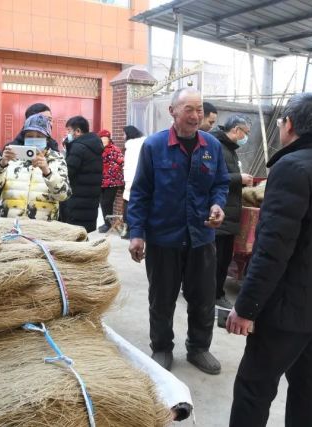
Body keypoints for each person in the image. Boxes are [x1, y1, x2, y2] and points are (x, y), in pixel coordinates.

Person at [226, 93, 312, 427]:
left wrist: (246, 307)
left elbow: (272, 249)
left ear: (290, 125)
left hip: (287, 309)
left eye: (283, 121)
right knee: (306, 385)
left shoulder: (290, 168)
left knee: (253, 387)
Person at [127, 88, 230, 375]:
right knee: (162, 297)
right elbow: (140, 193)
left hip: (202, 237)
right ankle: (161, 347)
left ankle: (199, 348)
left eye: (199, 109)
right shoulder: (154, 146)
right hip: (164, 238)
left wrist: (218, 205)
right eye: (189, 109)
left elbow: (220, 183)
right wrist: (137, 233)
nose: (196, 115)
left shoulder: (211, 146)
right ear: (172, 111)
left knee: (203, 298)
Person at [0, 113, 70, 220]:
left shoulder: (56, 159)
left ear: (47, 139)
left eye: (39, 136)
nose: (34, 139)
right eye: (30, 136)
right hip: (11, 228)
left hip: (44, 229)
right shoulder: (12, 157)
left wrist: (47, 171)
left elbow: (63, 195)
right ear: (24, 137)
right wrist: (1, 164)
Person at [209, 116, 253, 312]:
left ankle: (215, 293)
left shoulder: (229, 149)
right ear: (236, 130)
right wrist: (239, 178)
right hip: (221, 212)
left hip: (229, 211)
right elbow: (211, 177)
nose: (246, 138)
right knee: (217, 259)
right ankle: (214, 295)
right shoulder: (217, 146)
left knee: (223, 258)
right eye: (246, 133)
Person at [62, 116, 103, 232]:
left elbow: (67, 172)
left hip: (76, 201)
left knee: (73, 238)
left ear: (78, 131)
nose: (67, 134)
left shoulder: (78, 147)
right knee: (83, 237)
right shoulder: (94, 145)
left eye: (69, 131)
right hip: (89, 202)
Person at [97, 129, 124, 233]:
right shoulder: (98, 149)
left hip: (112, 181)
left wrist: (112, 169)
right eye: (102, 138)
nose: (104, 140)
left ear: (109, 139)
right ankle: (106, 223)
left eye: (106, 138)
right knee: (102, 203)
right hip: (101, 180)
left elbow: (121, 162)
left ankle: (108, 224)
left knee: (107, 203)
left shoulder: (114, 149)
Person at [121, 125, 145, 239]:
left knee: (129, 205)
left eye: (124, 134)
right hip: (142, 179)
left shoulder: (131, 146)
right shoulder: (144, 143)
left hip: (132, 181)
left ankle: (131, 231)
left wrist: (128, 184)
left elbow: (130, 166)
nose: (123, 136)